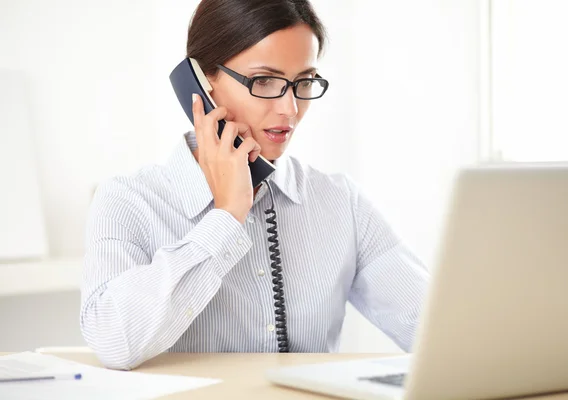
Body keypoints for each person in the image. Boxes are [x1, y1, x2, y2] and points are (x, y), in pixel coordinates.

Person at [80, 0, 430, 371]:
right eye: (265, 81)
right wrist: (226, 217)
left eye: (304, 82)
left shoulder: (340, 202)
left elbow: (434, 325)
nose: (290, 109)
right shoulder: (129, 200)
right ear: (202, 82)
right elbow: (113, 340)